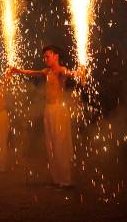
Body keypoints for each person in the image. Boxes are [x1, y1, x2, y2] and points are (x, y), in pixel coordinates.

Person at [10, 45, 85, 187]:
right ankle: (57, 179)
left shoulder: (61, 70)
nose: (45, 59)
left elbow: (71, 73)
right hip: (48, 110)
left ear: (55, 56)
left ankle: (66, 181)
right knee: (51, 145)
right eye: (43, 57)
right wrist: (17, 70)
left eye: (47, 56)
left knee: (59, 145)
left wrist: (80, 72)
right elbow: (32, 72)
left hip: (59, 110)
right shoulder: (46, 71)